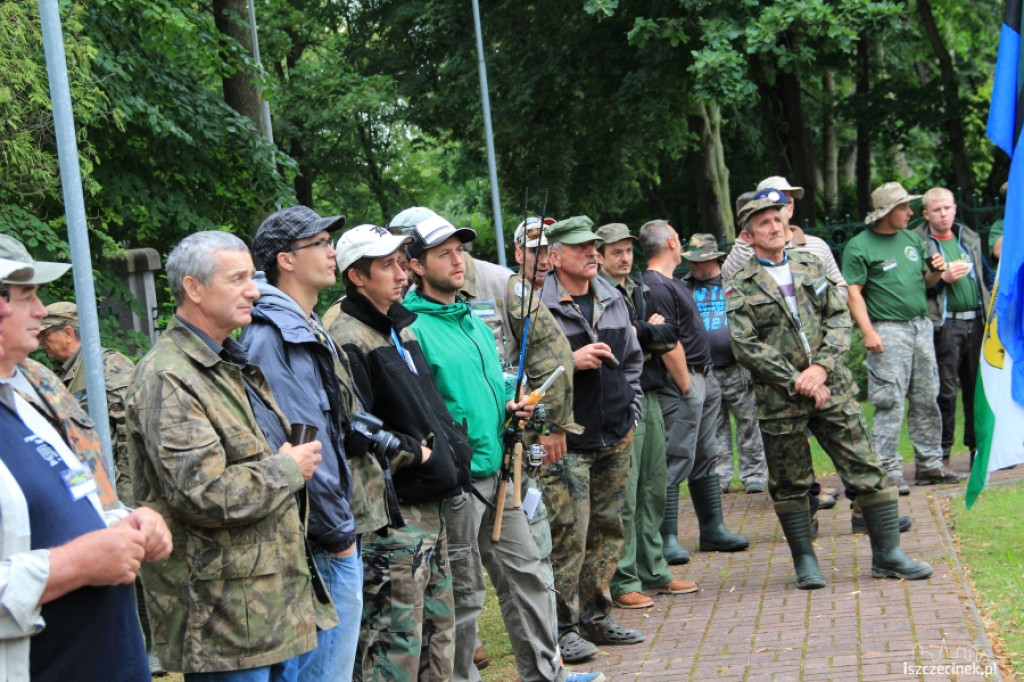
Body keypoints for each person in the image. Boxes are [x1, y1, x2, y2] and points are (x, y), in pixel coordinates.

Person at [400, 212, 604, 682]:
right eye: (443, 253)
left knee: (528, 575)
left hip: (503, 472)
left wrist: (511, 413)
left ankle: (545, 674)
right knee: (465, 595)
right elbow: (426, 411)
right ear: (415, 265)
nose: (458, 261)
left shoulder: (471, 319)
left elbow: (486, 390)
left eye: (460, 251)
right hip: (458, 485)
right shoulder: (412, 328)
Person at [126, 231, 333, 679]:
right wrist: (287, 469)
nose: (254, 291)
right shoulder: (169, 377)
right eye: (237, 279)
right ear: (194, 289)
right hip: (223, 625)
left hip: (270, 611)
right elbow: (202, 494)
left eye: (252, 278)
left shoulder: (228, 363)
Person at [725, 189, 933, 589]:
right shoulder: (739, 283)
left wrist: (820, 369)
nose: (774, 226)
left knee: (867, 466)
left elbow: (839, 317)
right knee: (790, 482)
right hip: (780, 399)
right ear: (748, 236)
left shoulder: (810, 264)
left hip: (832, 385)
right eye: (763, 222)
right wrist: (796, 380)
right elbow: (746, 345)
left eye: (778, 219)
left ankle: (888, 556)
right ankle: (806, 562)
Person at [0, 248, 172, 681]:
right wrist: (76, 565)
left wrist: (129, 520)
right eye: (26, 296)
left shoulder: (31, 391)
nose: (40, 311)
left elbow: (78, 491)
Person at [241, 206, 383, 681]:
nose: (332, 252)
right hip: (320, 542)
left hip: (328, 533)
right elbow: (304, 443)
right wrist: (339, 536)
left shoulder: (305, 323)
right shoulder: (273, 334)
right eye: (320, 243)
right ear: (285, 259)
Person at [326, 223, 469, 682]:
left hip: (433, 510)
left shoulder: (399, 326)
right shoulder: (346, 336)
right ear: (356, 276)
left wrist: (453, 448)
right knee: (394, 648)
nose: (401, 272)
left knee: (438, 636)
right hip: (394, 520)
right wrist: (419, 456)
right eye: (385, 265)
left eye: (401, 261)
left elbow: (426, 408)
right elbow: (355, 432)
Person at [539, 216, 645, 662]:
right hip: (568, 440)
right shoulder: (534, 307)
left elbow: (633, 359)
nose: (593, 254)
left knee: (607, 530)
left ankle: (597, 617)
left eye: (594, 247)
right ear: (554, 256)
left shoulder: (612, 296)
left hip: (616, 434)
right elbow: (516, 373)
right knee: (568, 536)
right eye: (581, 247)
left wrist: (632, 409)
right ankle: (562, 629)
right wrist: (570, 357)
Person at [594, 223, 697, 611]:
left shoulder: (639, 288)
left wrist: (644, 333)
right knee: (626, 490)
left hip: (651, 392)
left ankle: (653, 570)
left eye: (628, 250)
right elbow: (615, 343)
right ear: (599, 256)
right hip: (620, 397)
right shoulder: (596, 292)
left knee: (654, 484)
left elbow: (669, 333)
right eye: (615, 252)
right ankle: (624, 579)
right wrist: (642, 331)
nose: (624, 258)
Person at [640, 220, 749, 566]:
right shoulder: (656, 286)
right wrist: (687, 385)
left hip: (705, 377)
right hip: (684, 382)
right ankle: (666, 537)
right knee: (674, 455)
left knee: (705, 453)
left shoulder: (672, 282)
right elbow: (665, 340)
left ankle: (712, 527)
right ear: (672, 242)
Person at [842, 182, 961, 492]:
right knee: (889, 400)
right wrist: (868, 331)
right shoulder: (859, 246)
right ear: (886, 213)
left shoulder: (911, 239)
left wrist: (936, 271)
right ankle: (888, 469)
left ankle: (929, 464)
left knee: (927, 396)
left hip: (920, 327)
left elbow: (925, 281)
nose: (910, 213)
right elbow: (853, 292)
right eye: (904, 208)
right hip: (887, 329)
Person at [680, 234, 768, 495]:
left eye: (699, 261)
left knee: (749, 421)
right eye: (690, 261)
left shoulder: (734, 281)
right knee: (714, 426)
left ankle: (754, 474)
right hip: (705, 369)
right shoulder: (685, 288)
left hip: (737, 366)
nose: (693, 266)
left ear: (714, 259)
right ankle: (720, 475)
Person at [913, 188, 993, 462]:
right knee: (944, 392)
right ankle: (942, 454)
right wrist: (943, 278)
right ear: (926, 214)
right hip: (945, 326)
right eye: (937, 210)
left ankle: (975, 449)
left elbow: (987, 277)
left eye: (947, 208)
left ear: (955, 209)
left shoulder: (968, 238)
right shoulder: (917, 243)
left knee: (976, 389)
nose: (943, 214)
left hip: (977, 323)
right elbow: (915, 289)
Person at [38, 302, 136, 500]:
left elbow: (131, 431)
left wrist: (125, 495)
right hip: (87, 487)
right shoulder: (57, 374)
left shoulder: (108, 366)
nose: (40, 342)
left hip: (114, 488)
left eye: (45, 334)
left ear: (67, 334)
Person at [722, 177, 847, 293]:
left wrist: (816, 304)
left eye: (784, 202)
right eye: (772, 203)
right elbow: (729, 281)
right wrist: (748, 226)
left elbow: (841, 288)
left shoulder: (817, 246)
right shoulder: (746, 248)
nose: (781, 207)